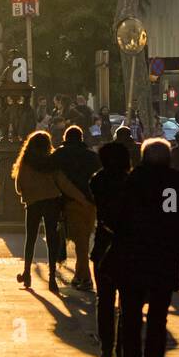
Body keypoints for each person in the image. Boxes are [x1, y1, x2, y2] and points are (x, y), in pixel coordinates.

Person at [102, 137, 179, 357]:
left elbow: (112, 218)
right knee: (157, 323)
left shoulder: (131, 182)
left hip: (132, 261)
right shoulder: (172, 184)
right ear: (168, 159)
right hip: (162, 262)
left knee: (131, 321)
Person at [12, 130, 91, 294]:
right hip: (52, 203)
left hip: (33, 204)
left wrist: (31, 193)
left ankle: (26, 273)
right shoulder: (51, 162)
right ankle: (52, 277)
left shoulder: (25, 162)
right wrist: (82, 199)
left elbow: (19, 188)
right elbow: (65, 184)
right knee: (52, 239)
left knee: (31, 238)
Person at [89, 142, 130, 357]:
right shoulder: (132, 182)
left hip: (103, 247)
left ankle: (106, 350)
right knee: (126, 305)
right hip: (127, 248)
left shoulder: (97, 181)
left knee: (104, 300)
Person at [53, 124, 99, 290]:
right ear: (81, 138)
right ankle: (80, 276)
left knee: (79, 242)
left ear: (65, 138)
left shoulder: (59, 154)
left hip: (69, 202)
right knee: (83, 241)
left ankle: (85, 278)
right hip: (89, 202)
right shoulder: (92, 156)